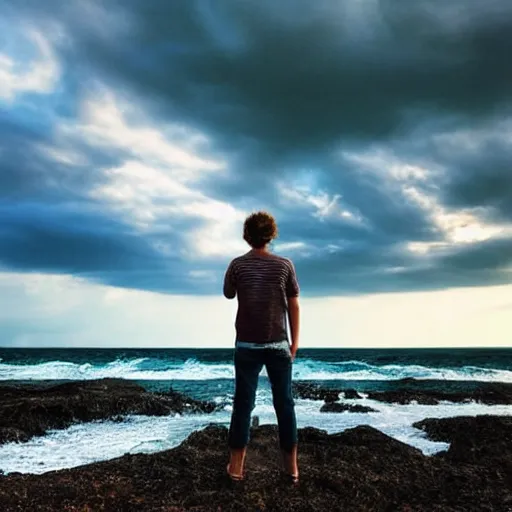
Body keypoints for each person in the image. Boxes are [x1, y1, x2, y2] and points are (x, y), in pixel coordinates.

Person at [223, 211, 300, 484]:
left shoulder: (237, 265)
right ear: (272, 234)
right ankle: (291, 470)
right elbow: (293, 304)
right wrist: (295, 342)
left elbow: (228, 292)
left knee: (243, 405)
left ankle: (236, 469)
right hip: (279, 344)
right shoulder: (284, 265)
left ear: (247, 235)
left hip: (246, 345)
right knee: (285, 405)